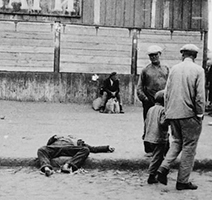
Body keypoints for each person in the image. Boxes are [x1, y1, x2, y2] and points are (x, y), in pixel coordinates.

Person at [157, 44, 205, 190]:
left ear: (182, 55)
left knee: (177, 141)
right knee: (189, 147)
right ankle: (182, 181)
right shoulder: (199, 70)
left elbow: (167, 93)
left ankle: (163, 167)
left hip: (173, 113)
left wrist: (168, 112)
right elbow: (199, 96)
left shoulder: (174, 69)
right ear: (195, 56)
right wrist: (200, 113)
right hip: (189, 114)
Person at [137, 45, 169, 154]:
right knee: (148, 124)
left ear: (160, 54)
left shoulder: (166, 69)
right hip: (150, 102)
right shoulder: (146, 71)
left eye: (155, 55)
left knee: (164, 124)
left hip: (164, 102)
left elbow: (170, 85)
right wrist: (145, 99)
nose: (153, 57)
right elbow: (139, 88)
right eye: (151, 55)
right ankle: (149, 149)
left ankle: (165, 149)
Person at [37, 135, 115, 177]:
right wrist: (53, 138)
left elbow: (93, 149)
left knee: (85, 149)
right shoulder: (56, 138)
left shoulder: (77, 141)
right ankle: (47, 168)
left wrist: (107, 147)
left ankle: (67, 165)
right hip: (55, 148)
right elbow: (48, 145)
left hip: (70, 148)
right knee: (41, 149)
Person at [143, 90, 170, 184]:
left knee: (157, 156)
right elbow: (163, 123)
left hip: (149, 136)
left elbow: (146, 122)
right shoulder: (163, 110)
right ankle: (152, 175)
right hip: (159, 137)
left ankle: (156, 173)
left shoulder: (151, 109)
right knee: (157, 157)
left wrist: (144, 134)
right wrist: (169, 120)